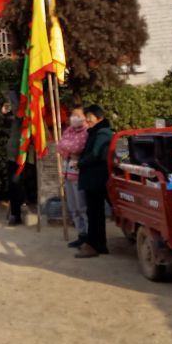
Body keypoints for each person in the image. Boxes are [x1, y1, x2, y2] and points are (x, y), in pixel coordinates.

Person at [75, 104, 113, 258]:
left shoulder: (102, 133)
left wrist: (80, 162)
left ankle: (94, 244)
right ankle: (97, 244)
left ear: (99, 117)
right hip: (93, 177)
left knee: (95, 213)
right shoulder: (96, 132)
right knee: (94, 212)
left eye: (89, 116)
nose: (87, 119)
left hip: (97, 178)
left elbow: (96, 154)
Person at [57, 107, 89, 247]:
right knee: (73, 207)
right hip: (67, 173)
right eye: (73, 115)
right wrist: (69, 148)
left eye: (78, 115)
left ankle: (89, 236)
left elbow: (78, 148)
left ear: (84, 116)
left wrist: (68, 147)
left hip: (79, 175)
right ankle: (81, 234)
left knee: (82, 207)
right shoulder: (69, 130)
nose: (74, 117)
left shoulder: (86, 131)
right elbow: (59, 146)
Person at [1, 90, 25, 226]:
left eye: (10, 102)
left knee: (17, 184)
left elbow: (18, 115)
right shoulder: (14, 118)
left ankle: (17, 214)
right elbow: (4, 124)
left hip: (21, 155)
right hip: (12, 155)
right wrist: (4, 113)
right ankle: (16, 213)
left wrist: (13, 105)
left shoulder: (22, 117)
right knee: (13, 185)